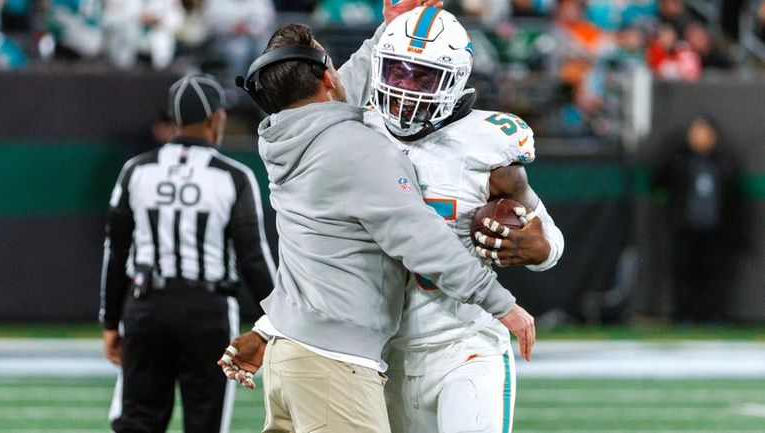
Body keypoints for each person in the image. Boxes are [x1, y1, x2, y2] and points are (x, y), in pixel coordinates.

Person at [219, 2, 535, 432]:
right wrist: (502, 304)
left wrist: (388, 31)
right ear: (327, 77)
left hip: (287, 354)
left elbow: (333, 94)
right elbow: (421, 238)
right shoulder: (357, 148)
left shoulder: (283, 136)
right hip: (335, 363)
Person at [362, 7, 564, 433]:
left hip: (464, 345)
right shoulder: (356, 131)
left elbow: (548, 237)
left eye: (423, 77)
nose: (405, 88)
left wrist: (539, 247)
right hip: (380, 354)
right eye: (397, 71)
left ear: (453, 82)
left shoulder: (484, 146)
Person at [100, 74, 276, 433]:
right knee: (204, 423)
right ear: (216, 119)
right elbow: (253, 259)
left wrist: (110, 321)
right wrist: (277, 323)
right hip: (206, 311)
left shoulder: (136, 170)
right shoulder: (233, 176)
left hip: (147, 305)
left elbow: (116, 251)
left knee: (137, 422)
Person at [653, 114, 739, 323]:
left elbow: (732, 195)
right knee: (683, 272)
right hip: (685, 226)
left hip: (714, 228)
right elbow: (659, 181)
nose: (700, 137)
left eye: (705, 133)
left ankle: (713, 314)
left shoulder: (724, 160)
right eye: (696, 132)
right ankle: (683, 314)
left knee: (713, 273)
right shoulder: (678, 158)